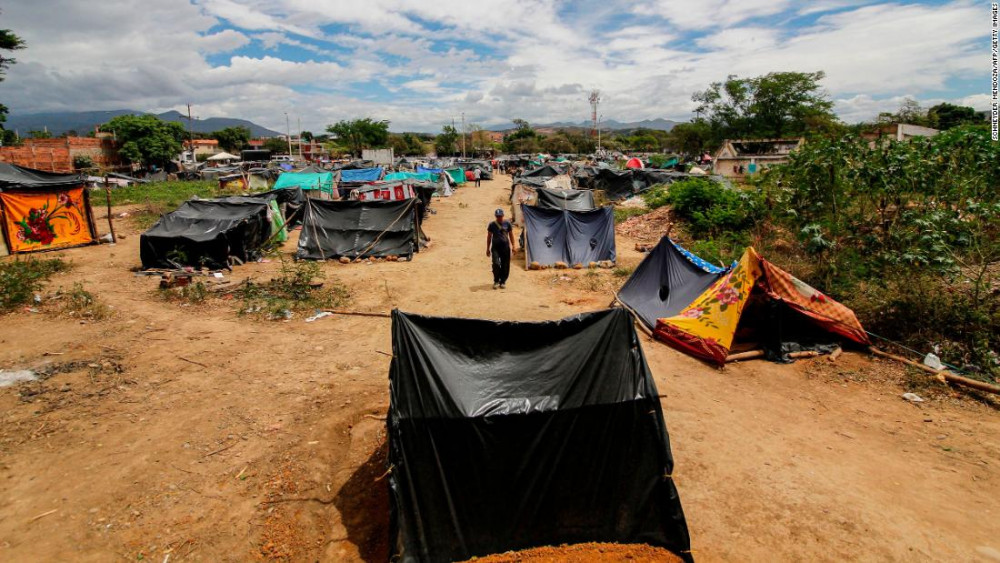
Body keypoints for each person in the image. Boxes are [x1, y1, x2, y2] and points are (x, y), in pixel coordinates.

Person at [486, 208, 516, 289]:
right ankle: (496, 281)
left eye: (500, 216)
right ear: (495, 216)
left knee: (505, 265)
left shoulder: (507, 224)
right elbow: (489, 237)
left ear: (503, 215)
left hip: (505, 248)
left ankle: (503, 281)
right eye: (497, 216)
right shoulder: (492, 225)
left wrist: (513, 246)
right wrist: (487, 248)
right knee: (496, 263)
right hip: (495, 248)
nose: (499, 217)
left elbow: (511, 235)